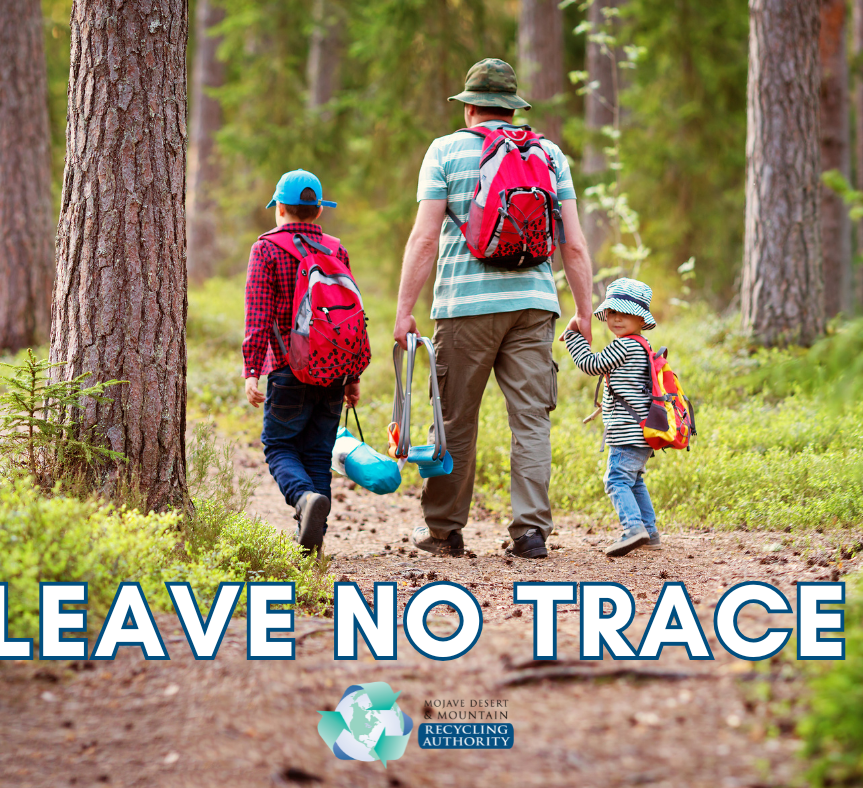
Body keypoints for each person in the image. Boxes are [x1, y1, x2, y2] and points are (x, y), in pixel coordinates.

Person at [394, 58, 595, 559]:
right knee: (531, 421)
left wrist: (404, 310)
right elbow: (573, 244)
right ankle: (530, 533)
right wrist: (583, 311)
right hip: (534, 306)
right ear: (512, 108)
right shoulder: (549, 154)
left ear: (470, 108)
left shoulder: (444, 151)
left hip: (464, 307)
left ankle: (444, 531)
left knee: (455, 420)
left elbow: (424, 239)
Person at [242, 169, 361, 555]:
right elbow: (349, 316)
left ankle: (303, 499)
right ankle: (313, 544)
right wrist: (352, 375)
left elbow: (258, 315)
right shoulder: (336, 249)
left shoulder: (266, 249)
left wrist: (252, 371)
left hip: (287, 368)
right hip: (334, 370)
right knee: (317, 454)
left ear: (279, 208)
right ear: (319, 211)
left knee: (278, 446)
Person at [563, 278, 661, 557]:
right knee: (634, 480)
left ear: (641, 319)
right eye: (613, 312)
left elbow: (590, 364)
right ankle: (650, 533)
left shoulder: (624, 346)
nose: (617, 319)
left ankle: (633, 528)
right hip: (642, 431)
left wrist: (572, 335)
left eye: (626, 313)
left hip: (626, 432)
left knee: (616, 479)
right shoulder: (642, 344)